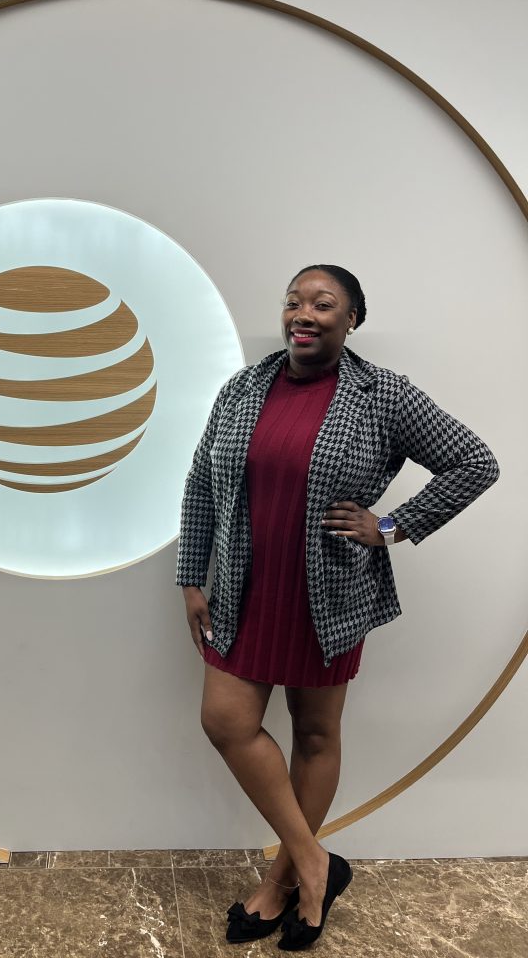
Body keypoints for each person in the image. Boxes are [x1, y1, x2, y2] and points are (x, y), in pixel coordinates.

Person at [175, 264, 500, 950]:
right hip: (243, 587)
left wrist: (390, 526)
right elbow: (202, 479)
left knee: (315, 734)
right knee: (227, 721)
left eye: (323, 303)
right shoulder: (243, 388)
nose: (305, 312)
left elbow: (474, 462)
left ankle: (283, 881)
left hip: (327, 595)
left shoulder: (383, 395)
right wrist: (191, 577)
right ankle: (316, 860)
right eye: (294, 300)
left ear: (353, 318)